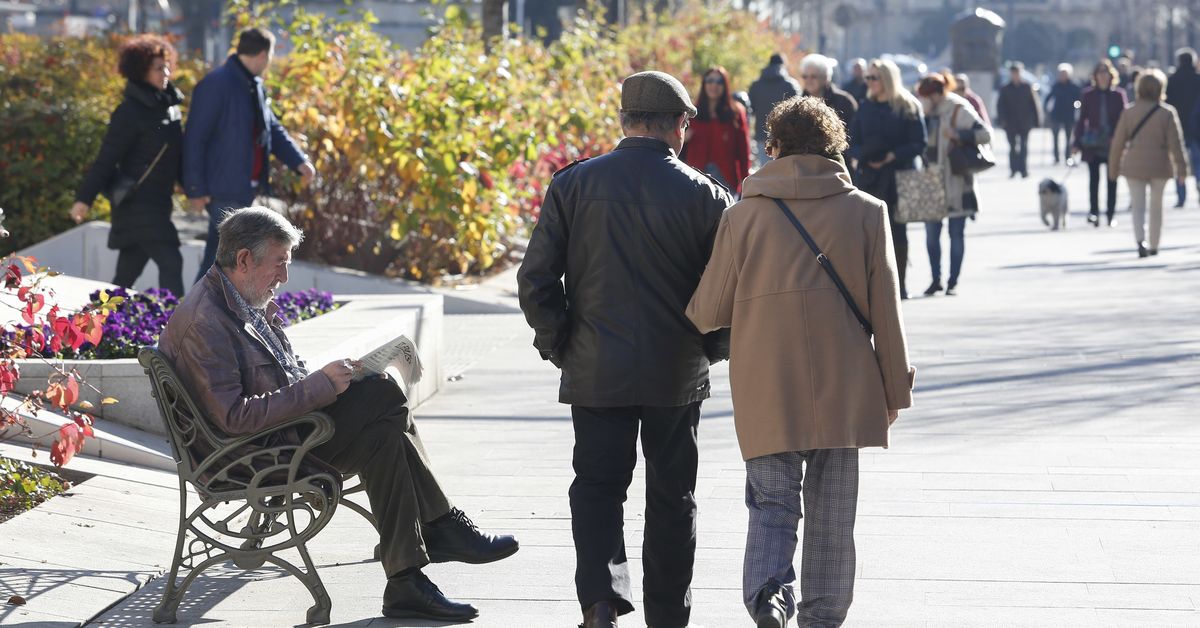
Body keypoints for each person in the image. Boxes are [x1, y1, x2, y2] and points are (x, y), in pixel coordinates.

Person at [158, 207, 518, 621]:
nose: (284, 277)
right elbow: (234, 418)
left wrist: (330, 377)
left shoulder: (239, 301)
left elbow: (273, 382)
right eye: (280, 263)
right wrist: (320, 387)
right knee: (382, 393)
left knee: (383, 436)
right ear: (244, 260)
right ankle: (441, 525)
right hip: (248, 458)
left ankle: (406, 582)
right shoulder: (207, 320)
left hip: (278, 439)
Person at [686, 95, 915, 628]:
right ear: (834, 144)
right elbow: (887, 312)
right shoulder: (867, 212)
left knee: (771, 503)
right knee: (833, 513)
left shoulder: (742, 217)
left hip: (767, 384)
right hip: (846, 383)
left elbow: (708, 312)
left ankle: (770, 595)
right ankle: (823, 617)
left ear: (775, 147)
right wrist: (893, 391)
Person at [517, 71, 732, 628]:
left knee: (597, 487)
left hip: (595, 366)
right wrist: (710, 349)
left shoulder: (573, 184)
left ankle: (600, 601)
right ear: (679, 125)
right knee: (673, 497)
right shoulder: (708, 196)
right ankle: (668, 616)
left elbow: (536, 281)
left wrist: (561, 345)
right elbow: (730, 292)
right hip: (676, 370)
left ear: (623, 121)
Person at [183, 28, 316, 283]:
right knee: (221, 259)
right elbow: (194, 138)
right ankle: (198, 306)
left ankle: (208, 305)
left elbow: (271, 129)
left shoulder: (254, 85)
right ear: (264, 54)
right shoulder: (216, 84)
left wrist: (299, 162)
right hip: (222, 187)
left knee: (225, 259)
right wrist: (195, 188)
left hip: (243, 187)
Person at [71, 35, 185, 297]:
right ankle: (176, 322)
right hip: (137, 203)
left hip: (159, 202)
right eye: (158, 68)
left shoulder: (170, 108)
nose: (166, 73)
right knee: (171, 261)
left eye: (167, 66)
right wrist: (84, 200)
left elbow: (176, 156)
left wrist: (193, 189)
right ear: (140, 71)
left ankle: (101, 318)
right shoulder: (129, 111)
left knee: (126, 274)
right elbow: (106, 158)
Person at [847, 58, 927, 300]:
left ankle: (899, 284)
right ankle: (872, 285)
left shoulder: (907, 106)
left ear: (887, 79)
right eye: (868, 78)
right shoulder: (864, 107)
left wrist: (892, 155)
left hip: (898, 176)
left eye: (874, 77)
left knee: (898, 231)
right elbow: (852, 142)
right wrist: (864, 156)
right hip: (870, 177)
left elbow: (919, 142)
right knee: (868, 232)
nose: (870, 82)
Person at [915, 74, 991, 297]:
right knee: (931, 235)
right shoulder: (923, 115)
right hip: (931, 181)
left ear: (937, 94)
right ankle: (935, 279)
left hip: (957, 180)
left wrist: (958, 134)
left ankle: (953, 281)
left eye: (926, 96)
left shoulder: (958, 108)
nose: (923, 101)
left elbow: (986, 134)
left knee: (956, 234)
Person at [1109, 69, 1189, 258]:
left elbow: (1118, 143)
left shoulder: (1129, 112)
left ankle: (1140, 240)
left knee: (1137, 205)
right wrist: (1182, 169)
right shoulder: (1167, 113)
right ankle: (1154, 243)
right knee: (1156, 206)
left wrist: (1113, 169)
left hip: (1134, 165)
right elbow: (1176, 144)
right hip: (1160, 165)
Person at [1072, 60, 1127, 227]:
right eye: (1100, 73)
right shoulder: (1088, 95)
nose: (1102, 76)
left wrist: (1121, 139)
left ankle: (1110, 214)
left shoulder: (1118, 95)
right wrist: (1076, 143)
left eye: (1105, 73)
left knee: (1112, 179)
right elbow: (1081, 120)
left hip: (1112, 143)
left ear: (1111, 76)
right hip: (1093, 143)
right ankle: (1094, 212)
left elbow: (1124, 120)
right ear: (1095, 76)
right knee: (1094, 179)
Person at [682, 66, 752, 195]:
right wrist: (683, 138)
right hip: (694, 177)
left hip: (726, 179)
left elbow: (743, 150)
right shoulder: (691, 112)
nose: (714, 85)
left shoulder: (735, 113)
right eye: (710, 81)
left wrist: (746, 182)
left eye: (719, 82)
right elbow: (674, 145)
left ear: (725, 85)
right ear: (704, 84)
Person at [750, 54, 802, 166]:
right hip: (786, 137)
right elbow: (799, 112)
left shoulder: (756, 85)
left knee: (765, 170)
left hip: (762, 136)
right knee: (785, 171)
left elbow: (751, 110)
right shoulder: (791, 85)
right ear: (783, 65)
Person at [1166, 48, 1200, 207]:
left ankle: (1181, 195)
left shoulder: (1172, 80)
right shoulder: (1198, 79)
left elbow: (1167, 103)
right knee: (1198, 161)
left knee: (1179, 161)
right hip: (1197, 127)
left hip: (1177, 125)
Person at [995, 61, 1041, 178]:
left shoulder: (1027, 87)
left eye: (1017, 72)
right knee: (1012, 147)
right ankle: (1013, 169)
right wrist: (1002, 120)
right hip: (1010, 123)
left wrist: (1037, 121)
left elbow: (1034, 104)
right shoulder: (1005, 88)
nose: (1015, 75)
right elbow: (1000, 106)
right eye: (1013, 73)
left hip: (1024, 122)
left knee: (1024, 146)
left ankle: (1023, 170)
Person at [800, 54, 858, 131]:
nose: (808, 80)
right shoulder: (798, 103)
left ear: (825, 78)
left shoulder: (844, 102)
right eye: (805, 76)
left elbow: (852, 132)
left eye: (813, 76)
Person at [1044, 64, 1083, 165]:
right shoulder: (1056, 86)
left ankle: (1067, 157)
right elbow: (1049, 98)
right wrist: (1046, 108)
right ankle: (1056, 157)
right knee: (1055, 136)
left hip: (1069, 115)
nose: (1062, 76)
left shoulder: (1074, 86)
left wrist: (1077, 106)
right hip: (1056, 114)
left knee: (1068, 137)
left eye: (1064, 74)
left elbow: (1079, 99)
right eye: (1061, 74)